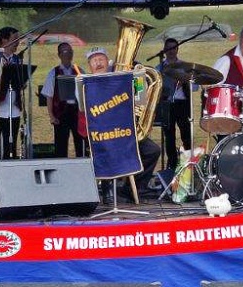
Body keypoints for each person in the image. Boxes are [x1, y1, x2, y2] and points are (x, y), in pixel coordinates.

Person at [81, 46, 161, 196]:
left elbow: (140, 99)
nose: (98, 63)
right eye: (94, 60)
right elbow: (82, 108)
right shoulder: (85, 83)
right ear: (89, 65)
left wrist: (138, 77)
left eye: (101, 59)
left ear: (108, 62)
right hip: (102, 134)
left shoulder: (120, 79)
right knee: (108, 150)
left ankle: (132, 189)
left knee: (153, 150)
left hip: (125, 131)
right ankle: (107, 190)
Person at [40, 42, 86, 158]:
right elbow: (49, 96)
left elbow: (86, 92)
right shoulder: (53, 73)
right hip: (61, 113)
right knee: (61, 145)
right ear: (59, 55)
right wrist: (51, 116)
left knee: (81, 144)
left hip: (77, 113)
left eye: (70, 51)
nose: (69, 54)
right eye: (65, 51)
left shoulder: (79, 71)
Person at [156, 38, 192, 171]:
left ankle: (189, 162)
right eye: (168, 48)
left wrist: (185, 81)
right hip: (167, 104)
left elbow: (194, 87)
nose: (171, 51)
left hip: (182, 103)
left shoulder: (184, 66)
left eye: (173, 48)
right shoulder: (159, 68)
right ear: (164, 50)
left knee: (186, 134)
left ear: (177, 49)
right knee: (169, 136)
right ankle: (172, 164)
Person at [0, 26, 23, 160]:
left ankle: (12, 158)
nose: (17, 42)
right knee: (0, 138)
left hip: (14, 106)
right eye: (14, 39)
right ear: (4, 40)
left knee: (13, 138)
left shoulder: (17, 60)